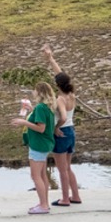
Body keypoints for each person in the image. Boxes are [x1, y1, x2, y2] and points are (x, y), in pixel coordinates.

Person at [43, 45, 82, 207]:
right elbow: (60, 74)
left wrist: (55, 127)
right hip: (71, 132)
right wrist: (50, 58)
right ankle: (76, 196)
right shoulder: (71, 95)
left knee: (62, 169)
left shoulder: (60, 99)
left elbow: (63, 116)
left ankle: (65, 198)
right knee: (68, 167)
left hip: (63, 132)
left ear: (57, 85)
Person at [11, 82, 57, 215]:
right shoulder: (46, 107)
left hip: (38, 144)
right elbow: (40, 120)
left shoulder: (41, 108)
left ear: (40, 92)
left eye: (35, 90)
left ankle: (43, 205)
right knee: (42, 175)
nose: (33, 92)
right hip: (44, 144)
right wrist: (31, 109)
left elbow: (41, 128)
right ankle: (45, 203)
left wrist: (23, 122)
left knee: (35, 176)